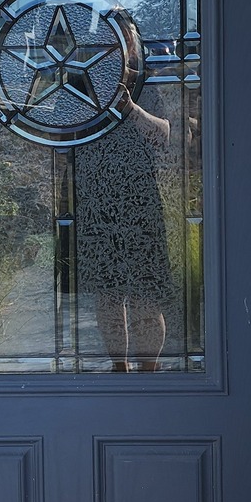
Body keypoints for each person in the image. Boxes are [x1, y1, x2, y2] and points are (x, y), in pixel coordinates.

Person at [74, 89, 173, 372]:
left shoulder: (144, 84)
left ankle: (149, 373)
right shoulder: (78, 84)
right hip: (95, 201)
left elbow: (163, 136)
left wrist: (130, 107)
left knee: (146, 296)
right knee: (108, 295)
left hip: (141, 201)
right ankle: (120, 370)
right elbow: (56, 138)